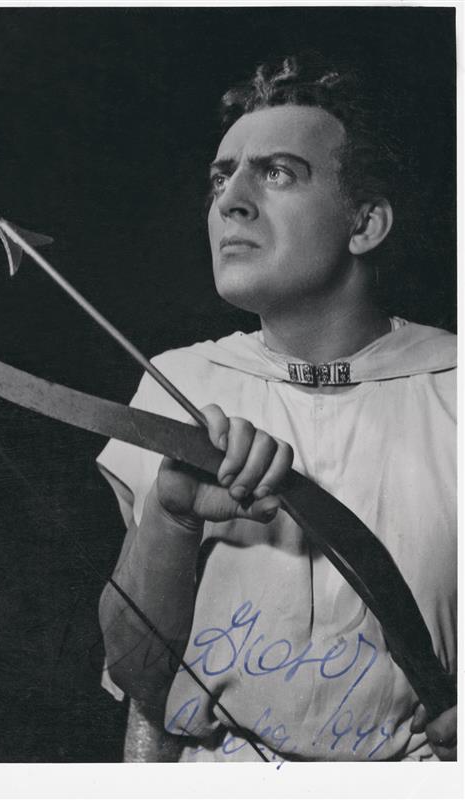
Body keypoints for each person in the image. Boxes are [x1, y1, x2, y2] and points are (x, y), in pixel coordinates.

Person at [97, 56, 456, 762]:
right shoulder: (178, 383)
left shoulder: (454, 386)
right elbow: (137, 676)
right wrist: (170, 517)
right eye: (220, 178)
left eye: (278, 173)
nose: (229, 201)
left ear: (365, 223)